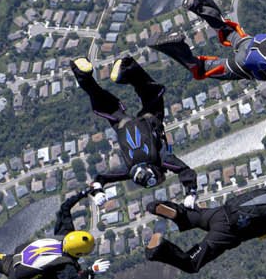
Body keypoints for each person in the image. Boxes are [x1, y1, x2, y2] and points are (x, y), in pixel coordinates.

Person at [144, 137, 266, 275]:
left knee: (188, 217)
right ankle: (160, 250)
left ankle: (168, 210)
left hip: (218, 213)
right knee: (191, 264)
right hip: (226, 233)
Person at [75, 56, 193, 190]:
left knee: (151, 93)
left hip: (149, 121)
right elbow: (105, 177)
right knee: (105, 104)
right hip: (123, 125)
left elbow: (184, 170)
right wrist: (97, 186)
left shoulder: (162, 161)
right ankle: (82, 74)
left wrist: (192, 191)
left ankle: (126, 68)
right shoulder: (128, 171)